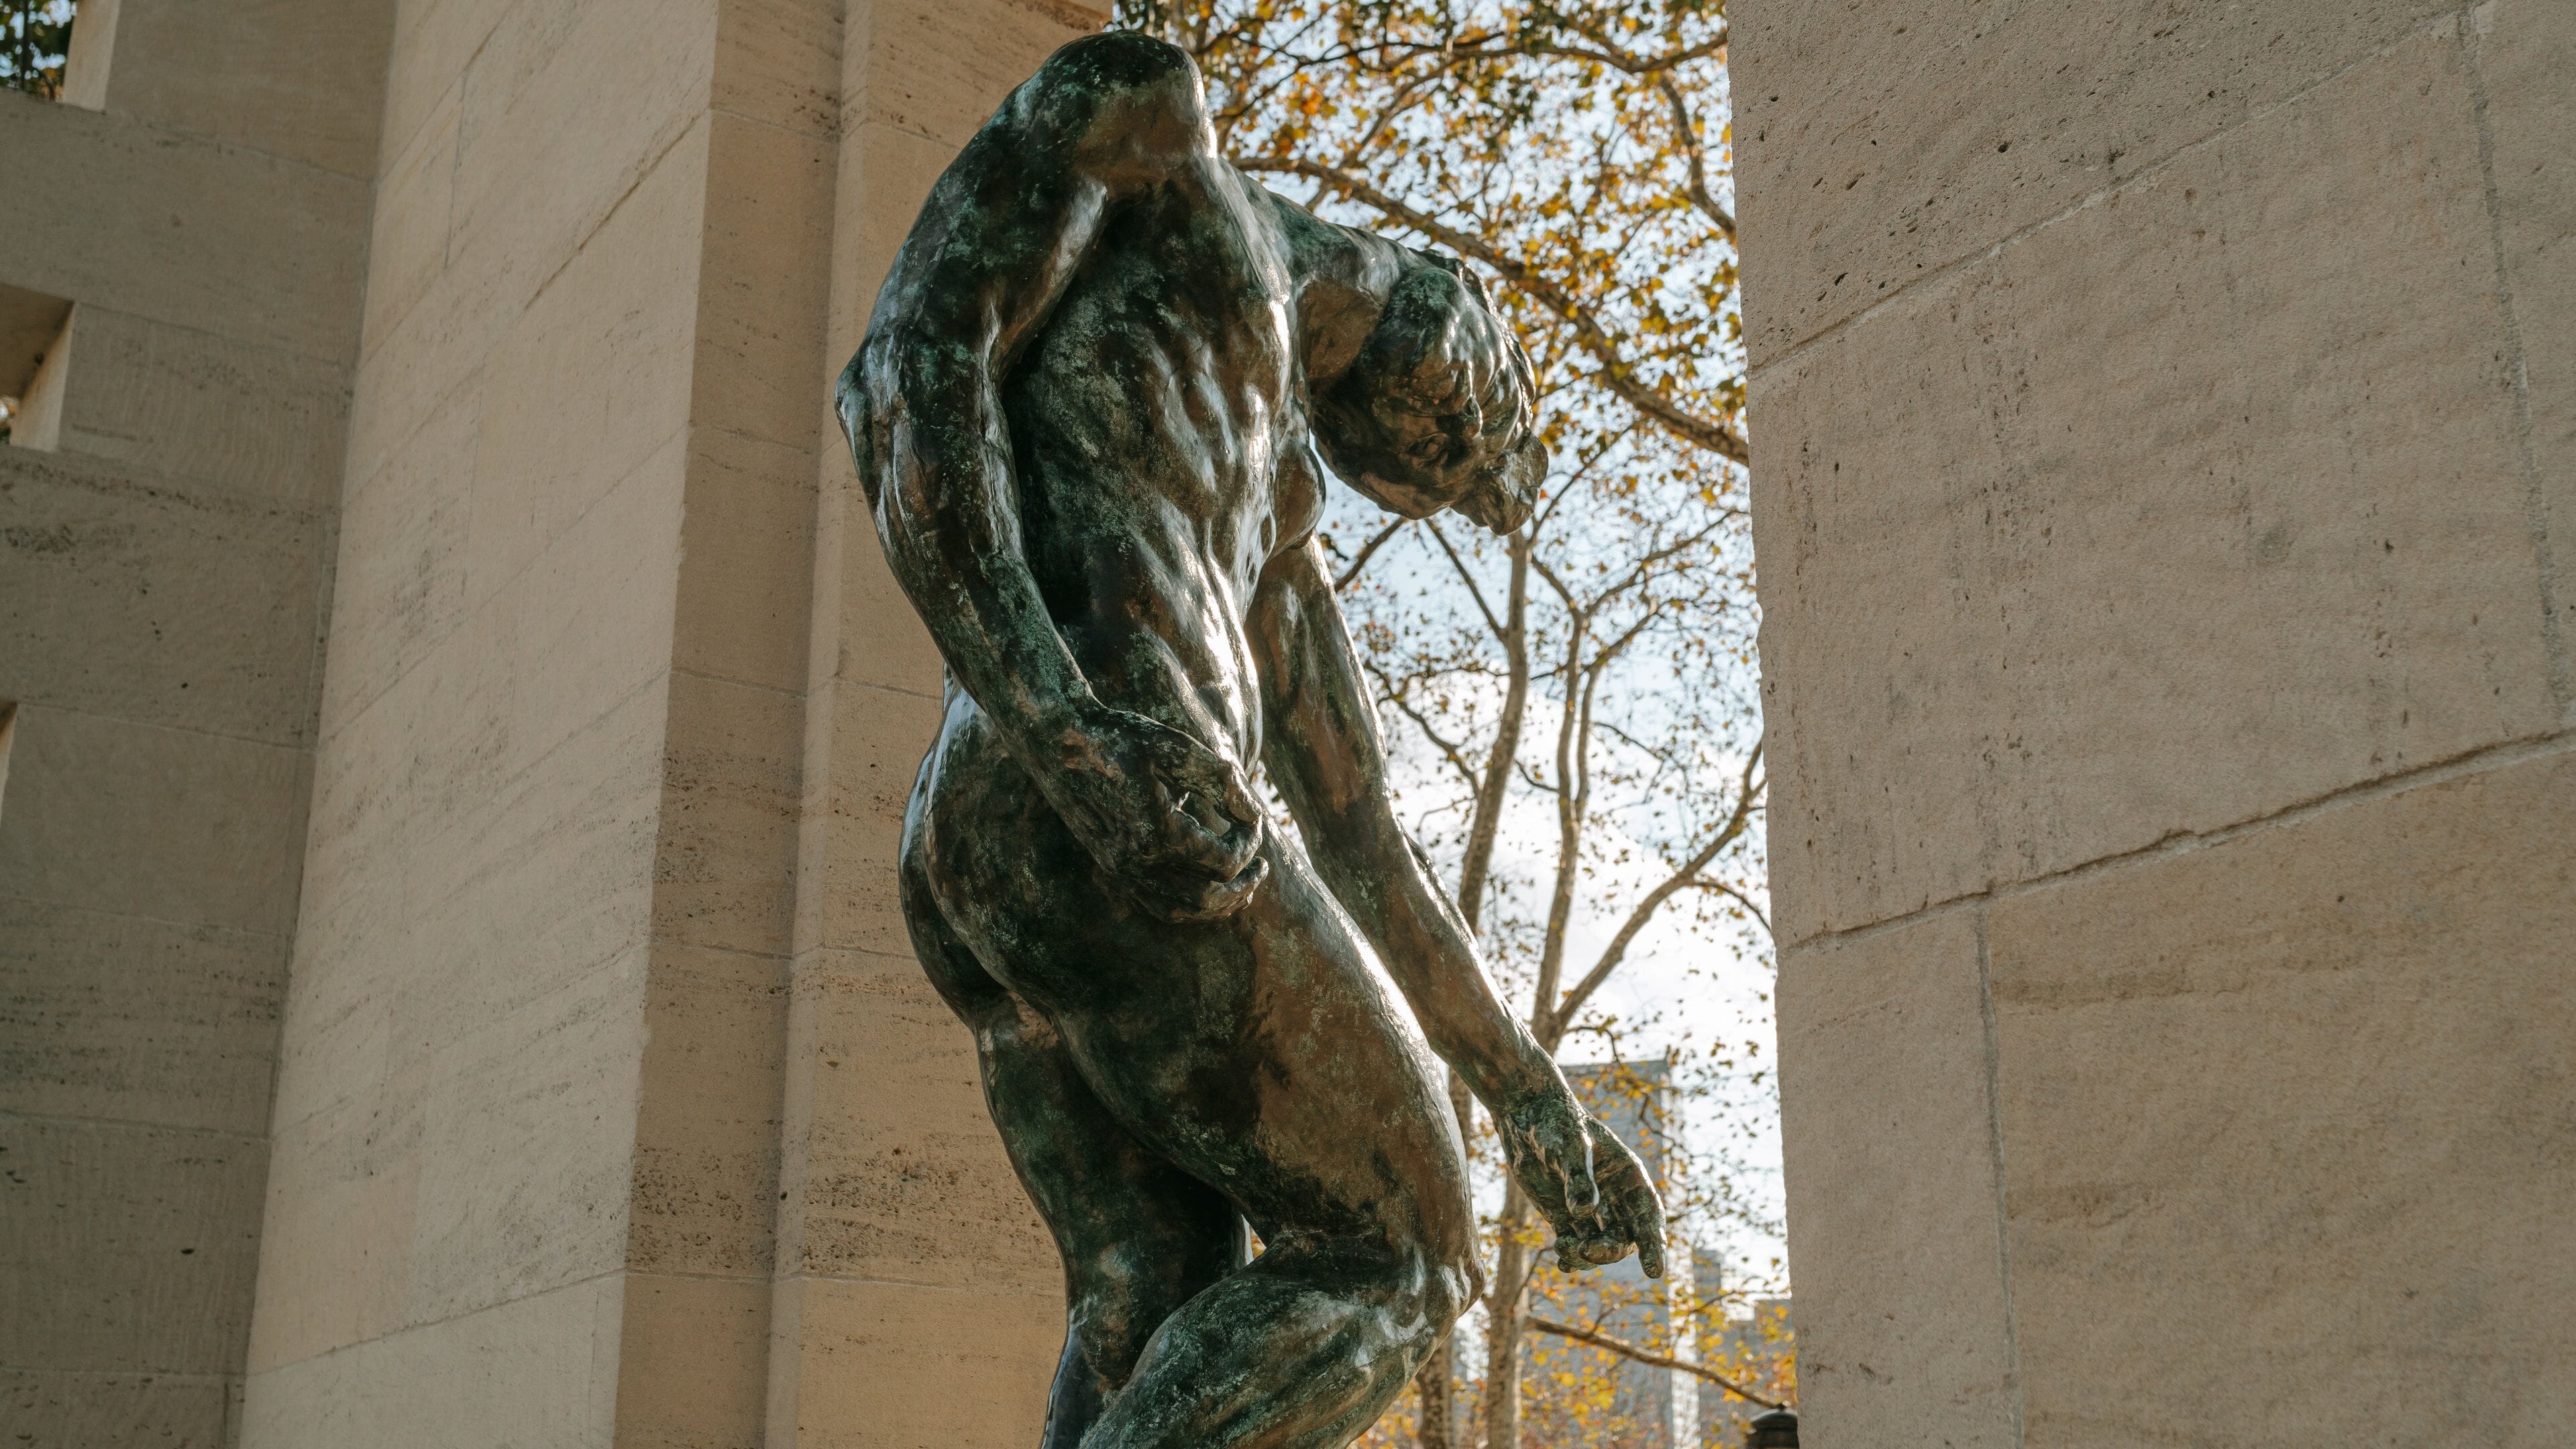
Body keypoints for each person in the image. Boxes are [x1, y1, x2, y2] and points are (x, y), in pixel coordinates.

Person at [837, 30, 1665, 1449]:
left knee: (1146, 1291)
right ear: (1458, 314)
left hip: (989, 843)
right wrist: (1068, 730)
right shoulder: (1155, 117)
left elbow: (1362, 836)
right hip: (1119, 801)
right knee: (1406, 1255)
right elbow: (906, 370)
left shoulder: (1275, 502)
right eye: (1484, 403)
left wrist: (1535, 1100)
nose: (1473, 424)